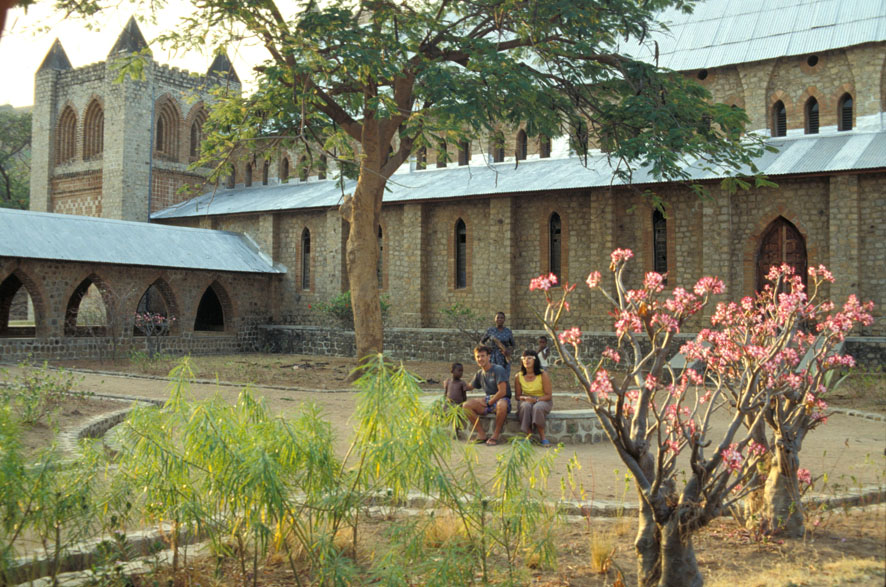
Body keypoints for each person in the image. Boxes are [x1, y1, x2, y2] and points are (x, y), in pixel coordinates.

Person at [463, 345, 511, 445]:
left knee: (501, 404)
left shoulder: (498, 369)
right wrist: (455, 382)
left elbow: (502, 392)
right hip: (489, 400)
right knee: (466, 406)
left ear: (489, 356)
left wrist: (489, 402)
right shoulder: (479, 373)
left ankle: (495, 435)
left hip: (502, 399)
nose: (480, 359)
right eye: (478, 356)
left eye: (482, 356)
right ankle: (481, 434)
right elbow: (469, 387)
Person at [514, 349, 554, 446]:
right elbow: (517, 396)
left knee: (537, 407)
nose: (526, 360)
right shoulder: (518, 376)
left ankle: (543, 437)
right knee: (525, 406)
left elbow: (548, 395)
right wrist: (525, 398)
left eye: (529, 358)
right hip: (527, 399)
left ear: (535, 360)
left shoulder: (543, 374)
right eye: (524, 358)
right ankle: (528, 436)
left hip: (543, 399)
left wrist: (536, 400)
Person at [481, 311, 515, 379]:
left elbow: (513, 345)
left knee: (503, 377)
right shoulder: (490, 330)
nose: (499, 319)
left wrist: (508, 351)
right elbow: (481, 342)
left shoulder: (508, 331)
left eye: (501, 318)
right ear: (495, 319)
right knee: (492, 377)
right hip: (492, 357)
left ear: (504, 320)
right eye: (498, 318)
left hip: (504, 357)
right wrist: (487, 349)